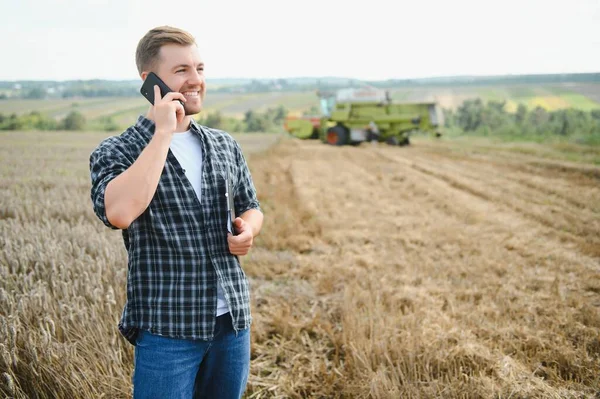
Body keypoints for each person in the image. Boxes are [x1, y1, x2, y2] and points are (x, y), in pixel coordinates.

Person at [88, 25, 263, 399]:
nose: (196, 80)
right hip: (168, 329)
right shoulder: (117, 150)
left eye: (200, 68)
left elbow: (251, 206)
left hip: (231, 323)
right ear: (149, 81)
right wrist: (163, 133)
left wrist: (248, 230)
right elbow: (119, 212)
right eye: (181, 70)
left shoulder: (223, 144)